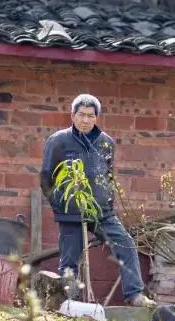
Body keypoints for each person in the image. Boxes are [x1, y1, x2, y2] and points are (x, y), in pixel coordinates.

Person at [40, 94, 155, 308]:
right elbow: (46, 176)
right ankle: (69, 304)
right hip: (71, 211)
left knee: (125, 244)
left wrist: (108, 204)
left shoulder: (105, 143)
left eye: (90, 116)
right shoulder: (58, 141)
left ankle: (135, 295)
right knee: (69, 260)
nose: (85, 120)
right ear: (73, 116)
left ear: (96, 118)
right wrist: (60, 205)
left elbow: (108, 176)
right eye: (81, 115)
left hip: (102, 212)